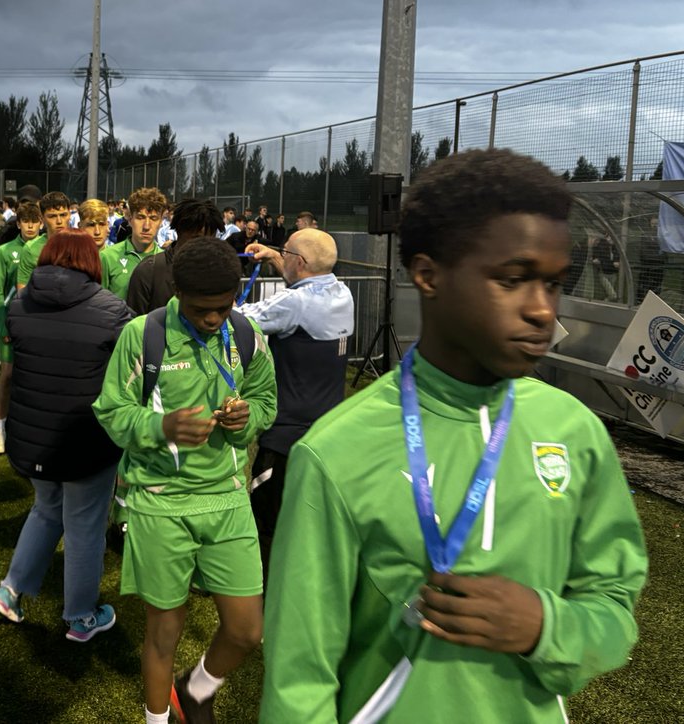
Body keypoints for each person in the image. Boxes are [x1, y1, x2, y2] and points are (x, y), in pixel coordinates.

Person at [260, 149, 648, 722]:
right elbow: (300, 681)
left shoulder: (575, 432)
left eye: (553, 283)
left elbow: (614, 611)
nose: (542, 310)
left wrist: (545, 625)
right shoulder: (337, 450)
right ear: (428, 275)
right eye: (512, 279)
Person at [93, 237, 277, 724]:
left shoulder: (246, 334)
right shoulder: (143, 335)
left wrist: (247, 418)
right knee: (164, 634)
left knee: (245, 631)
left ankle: (194, 690)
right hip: (159, 504)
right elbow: (111, 411)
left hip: (229, 500)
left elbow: (265, 400)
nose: (214, 318)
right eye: (202, 309)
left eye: (224, 306)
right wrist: (162, 427)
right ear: (176, 292)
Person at [0, 231, 133, 641]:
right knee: (84, 524)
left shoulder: (18, 304)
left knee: (46, 508)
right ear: (91, 262)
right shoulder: (113, 310)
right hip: (84, 438)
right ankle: (81, 616)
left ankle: (11, 590)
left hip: (31, 435)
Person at [240, 228, 354, 585]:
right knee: (310, 514)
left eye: (286, 251)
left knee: (267, 514)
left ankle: (262, 591)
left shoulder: (295, 303)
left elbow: (240, 318)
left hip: (286, 434)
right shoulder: (344, 293)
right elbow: (306, 277)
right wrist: (275, 256)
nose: (281, 254)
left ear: (300, 263)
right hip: (328, 430)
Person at [0, 202, 43, 455]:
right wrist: (3, 326)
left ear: (41, 223)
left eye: (35, 221)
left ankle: (25, 428)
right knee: (8, 376)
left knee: (35, 379)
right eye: (26, 221)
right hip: (11, 326)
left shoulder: (46, 249)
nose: (31, 226)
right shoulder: (4, 252)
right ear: (18, 223)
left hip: (39, 327)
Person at [125, 199, 223, 316]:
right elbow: (135, 322)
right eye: (197, 238)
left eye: (210, 238)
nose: (204, 245)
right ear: (179, 231)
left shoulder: (219, 271)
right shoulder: (149, 271)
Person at [101, 187, 167, 300]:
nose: (146, 226)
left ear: (161, 222)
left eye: (153, 218)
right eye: (140, 217)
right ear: (130, 219)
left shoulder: (167, 262)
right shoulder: (107, 257)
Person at [16, 192, 71, 290]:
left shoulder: (82, 245)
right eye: (52, 216)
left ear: (69, 214)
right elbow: (23, 291)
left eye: (63, 215)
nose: (59, 221)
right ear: (42, 218)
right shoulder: (31, 249)